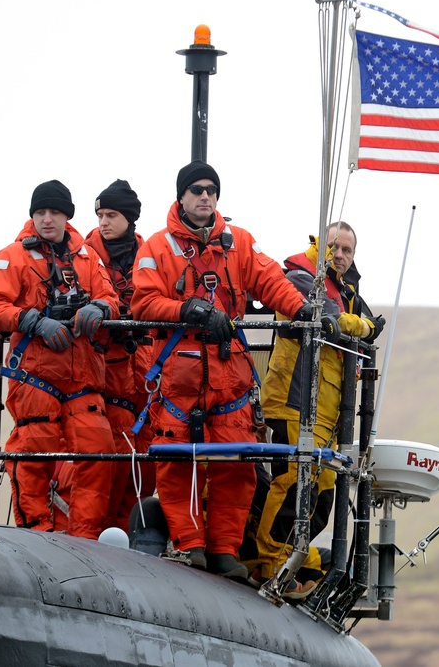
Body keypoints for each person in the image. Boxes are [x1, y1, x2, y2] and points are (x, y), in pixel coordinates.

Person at [130, 160, 312, 580]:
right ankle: (190, 544)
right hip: (180, 379)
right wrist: (187, 310)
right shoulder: (157, 248)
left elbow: (270, 281)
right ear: (181, 197)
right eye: (196, 190)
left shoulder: (239, 243)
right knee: (178, 464)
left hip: (230, 377)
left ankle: (225, 551)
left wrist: (302, 309)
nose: (205, 196)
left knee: (238, 464)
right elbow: (142, 304)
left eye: (211, 189)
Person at [0, 180, 119, 539]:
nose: (47, 219)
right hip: (35, 375)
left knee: (99, 451)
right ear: (32, 216)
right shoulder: (13, 256)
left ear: (67, 216)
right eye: (40, 212)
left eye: (54, 212)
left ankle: (85, 538)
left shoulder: (86, 257)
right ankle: (35, 533)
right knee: (32, 451)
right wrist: (31, 320)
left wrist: (100, 307)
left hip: (82, 377)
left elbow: (110, 297)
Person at [250, 221, 384, 592]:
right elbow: (332, 320)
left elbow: (371, 321)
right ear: (319, 245)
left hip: (325, 410)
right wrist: (363, 327)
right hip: (294, 400)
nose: (339, 256)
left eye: (347, 251)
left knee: (323, 486)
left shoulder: (345, 289)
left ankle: (294, 554)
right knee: (293, 481)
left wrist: (363, 325)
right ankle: (272, 561)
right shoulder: (299, 277)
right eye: (334, 248)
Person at [52, 179, 155, 533]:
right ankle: (84, 536)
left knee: (140, 467)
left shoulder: (152, 256)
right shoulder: (80, 257)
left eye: (111, 214)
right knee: (95, 460)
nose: (103, 222)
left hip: (145, 375)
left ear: (130, 218)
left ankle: (123, 538)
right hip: (98, 373)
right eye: (100, 215)